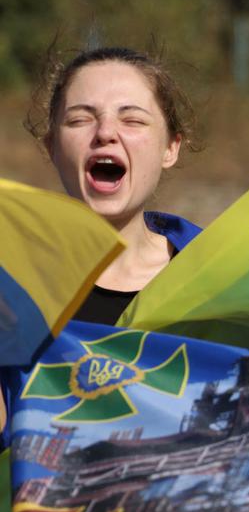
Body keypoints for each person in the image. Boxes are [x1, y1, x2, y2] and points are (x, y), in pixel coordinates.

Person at [25, 46, 201, 325]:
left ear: (170, 148)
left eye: (132, 120)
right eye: (80, 119)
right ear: (52, 147)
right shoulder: (13, 285)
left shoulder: (219, 278)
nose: (105, 133)